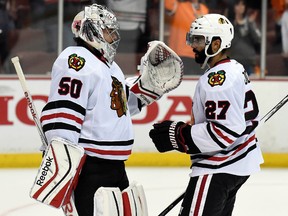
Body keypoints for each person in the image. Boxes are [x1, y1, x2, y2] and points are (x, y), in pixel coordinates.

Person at [39, 4, 178, 216]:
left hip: (115, 165)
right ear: (91, 30)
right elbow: (64, 112)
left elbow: (118, 107)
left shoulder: (109, 66)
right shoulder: (76, 61)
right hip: (89, 166)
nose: (113, 36)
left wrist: (146, 88)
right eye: (107, 30)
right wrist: (64, 162)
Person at [149, 13, 264, 215]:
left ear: (216, 43)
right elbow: (237, 121)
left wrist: (179, 136)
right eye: (193, 39)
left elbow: (224, 132)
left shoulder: (217, 80)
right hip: (235, 164)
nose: (193, 45)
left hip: (218, 167)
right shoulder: (234, 68)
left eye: (199, 40)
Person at [165, 0, 209, 75]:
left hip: (200, 56)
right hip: (181, 56)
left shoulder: (204, 9)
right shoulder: (178, 6)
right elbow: (167, 5)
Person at [229, 0, 261, 75]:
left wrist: (251, 25)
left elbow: (258, 39)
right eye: (238, 5)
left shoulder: (250, 23)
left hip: (249, 62)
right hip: (234, 63)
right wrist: (237, 25)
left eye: (243, 4)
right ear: (233, 7)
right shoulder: (230, 25)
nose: (241, 7)